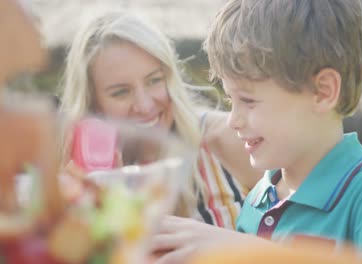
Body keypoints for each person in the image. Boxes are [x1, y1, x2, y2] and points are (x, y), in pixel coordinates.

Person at [151, 0, 362, 263]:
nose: (233, 120)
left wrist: (249, 251)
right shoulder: (259, 197)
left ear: (322, 91)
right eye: (231, 101)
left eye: (249, 100)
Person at [58, 10, 260, 229]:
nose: (145, 106)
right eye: (120, 92)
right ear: (93, 104)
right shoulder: (80, 176)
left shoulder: (229, 139)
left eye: (154, 80)